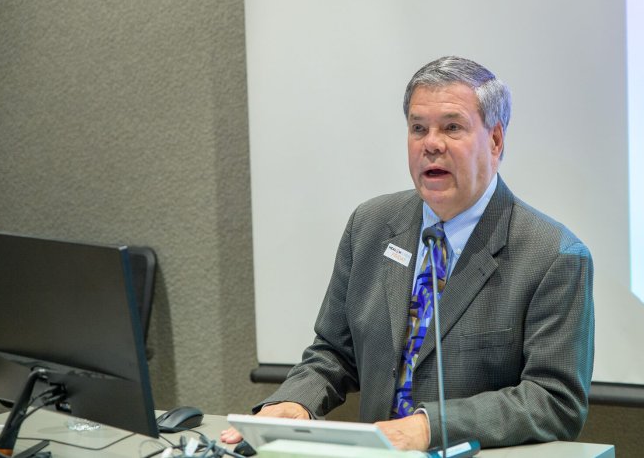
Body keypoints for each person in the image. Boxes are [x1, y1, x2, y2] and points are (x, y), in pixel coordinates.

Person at [222, 56, 594, 451]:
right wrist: (295, 401)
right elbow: (334, 351)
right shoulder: (370, 225)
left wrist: (431, 427)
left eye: (452, 127)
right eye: (419, 128)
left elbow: (554, 399)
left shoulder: (554, 255)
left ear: (496, 140)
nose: (431, 144)